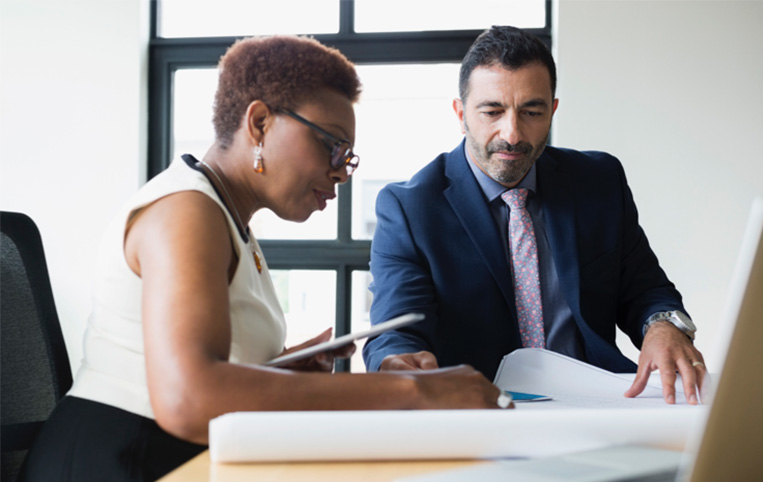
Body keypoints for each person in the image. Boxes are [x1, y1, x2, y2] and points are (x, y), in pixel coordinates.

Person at [19, 35, 504, 482]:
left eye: (349, 156)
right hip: (117, 461)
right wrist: (416, 395)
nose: (342, 173)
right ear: (259, 122)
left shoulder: (228, 220)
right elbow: (188, 398)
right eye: (332, 145)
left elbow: (199, 369)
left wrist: (283, 367)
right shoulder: (187, 211)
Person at [362, 26, 706, 406]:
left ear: (552, 110)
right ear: (460, 114)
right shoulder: (409, 208)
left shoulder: (599, 182)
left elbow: (646, 290)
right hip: (477, 408)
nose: (512, 134)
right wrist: (396, 362)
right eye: (492, 111)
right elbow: (396, 330)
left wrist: (664, 326)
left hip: (597, 402)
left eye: (531, 112)